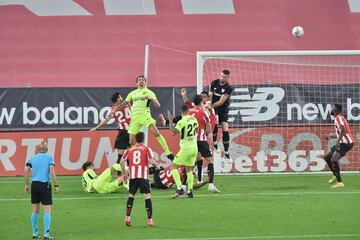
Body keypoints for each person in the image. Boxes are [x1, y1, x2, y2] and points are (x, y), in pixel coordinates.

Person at [111, 75, 174, 161]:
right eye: (139, 80)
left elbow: (158, 105)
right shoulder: (132, 93)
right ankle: (135, 159)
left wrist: (152, 99)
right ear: (137, 83)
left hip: (145, 116)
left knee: (156, 133)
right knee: (131, 142)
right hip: (135, 118)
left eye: (143, 80)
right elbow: (123, 104)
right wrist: (114, 110)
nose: (141, 81)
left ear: (145, 82)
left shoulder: (149, 92)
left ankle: (168, 153)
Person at [120, 132, 160, 227]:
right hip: (143, 176)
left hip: (133, 176)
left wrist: (124, 173)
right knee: (147, 197)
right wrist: (157, 166)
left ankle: (127, 217)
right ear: (143, 139)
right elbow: (150, 160)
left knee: (131, 196)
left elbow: (121, 161)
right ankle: (150, 220)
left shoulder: (129, 150)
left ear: (135, 139)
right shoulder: (146, 149)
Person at [24, 142, 59, 240]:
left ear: (38, 149)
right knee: (47, 210)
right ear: (47, 149)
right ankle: (46, 234)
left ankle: (35, 233)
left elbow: (26, 171)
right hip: (45, 185)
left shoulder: (32, 158)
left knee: (35, 210)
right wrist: (56, 185)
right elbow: (52, 172)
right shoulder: (49, 158)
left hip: (34, 185)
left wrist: (26, 184)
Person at [90, 92, 131, 164]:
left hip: (123, 132)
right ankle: (131, 173)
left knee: (120, 156)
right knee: (131, 154)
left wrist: (96, 128)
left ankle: (119, 174)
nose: (122, 98)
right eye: (120, 97)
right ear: (118, 99)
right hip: (132, 131)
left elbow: (105, 122)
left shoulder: (112, 110)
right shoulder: (128, 104)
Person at [168, 104, 198, 198]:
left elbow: (173, 132)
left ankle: (180, 188)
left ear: (181, 112)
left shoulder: (182, 121)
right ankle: (190, 191)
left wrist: (170, 121)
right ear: (188, 110)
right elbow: (196, 130)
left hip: (186, 148)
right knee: (189, 169)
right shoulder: (194, 119)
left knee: (173, 167)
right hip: (194, 147)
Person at [323, 104, 354, 188]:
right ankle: (335, 175)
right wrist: (331, 136)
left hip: (345, 143)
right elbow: (342, 132)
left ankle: (340, 182)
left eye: (333, 108)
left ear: (336, 110)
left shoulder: (338, 118)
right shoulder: (340, 118)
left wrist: (337, 142)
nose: (332, 109)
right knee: (327, 157)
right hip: (343, 142)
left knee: (333, 160)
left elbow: (343, 130)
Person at [209, 69, 233, 163]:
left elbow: (221, 102)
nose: (222, 78)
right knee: (216, 120)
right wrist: (209, 104)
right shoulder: (214, 83)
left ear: (227, 78)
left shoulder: (229, 88)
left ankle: (226, 153)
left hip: (223, 108)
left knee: (225, 130)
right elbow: (210, 95)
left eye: (224, 77)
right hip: (214, 108)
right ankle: (214, 143)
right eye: (221, 75)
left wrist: (210, 106)